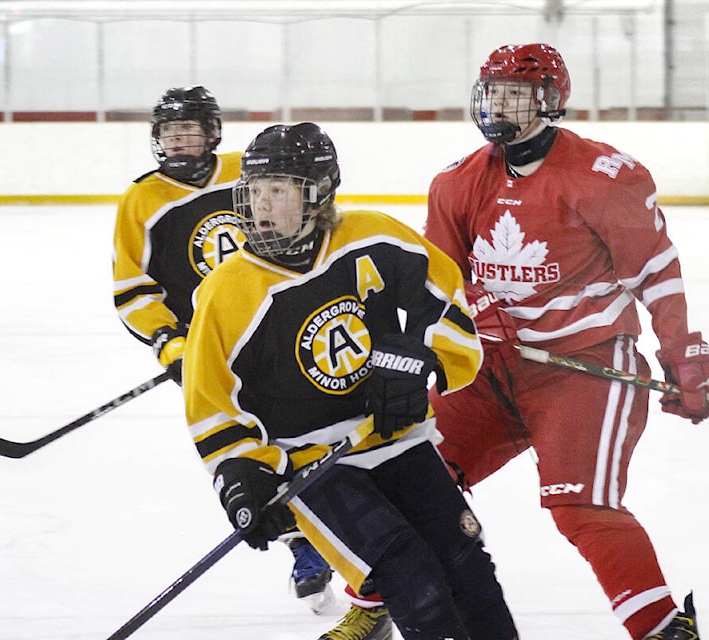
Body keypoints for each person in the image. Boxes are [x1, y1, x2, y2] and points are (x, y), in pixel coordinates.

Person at [181, 122, 520, 640]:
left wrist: (424, 361)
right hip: (315, 467)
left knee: (470, 571)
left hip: (397, 441)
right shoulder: (226, 292)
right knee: (414, 579)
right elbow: (211, 404)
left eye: (278, 190)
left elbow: (451, 303)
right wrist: (240, 474)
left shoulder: (374, 236)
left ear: (317, 195)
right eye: (253, 191)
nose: (261, 205)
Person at [423, 43, 709, 640]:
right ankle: (371, 605)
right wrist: (472, 307)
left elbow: (656, 273)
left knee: (580, 506)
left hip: (584, 371)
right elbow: (438, 279)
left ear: (549, 99)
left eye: (515, 93)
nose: (498, 104)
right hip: (488, 372)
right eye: (493, 91)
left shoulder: (607, 177)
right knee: (412, 479)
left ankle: (661, 628)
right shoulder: (455, 183)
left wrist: (684, 355)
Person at [111, 86, 335, 614]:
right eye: (169, 132)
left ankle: (331, 536)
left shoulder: (248, 169)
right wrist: (170, 342)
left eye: (188, 129)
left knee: (310, 429)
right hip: (216, 345)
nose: (178, 140)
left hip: (284, 325)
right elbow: (133, 288)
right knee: (250, 444)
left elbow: (312, 214)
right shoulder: (142, 199)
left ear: (212, 132)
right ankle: (302, 542)